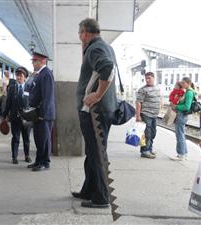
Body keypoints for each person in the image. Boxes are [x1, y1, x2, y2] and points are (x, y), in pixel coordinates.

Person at [72, 18, 118, 209]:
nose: (79, 37)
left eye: (80, 33)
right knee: (93, 152)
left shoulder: (95, 48)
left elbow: (107, 68)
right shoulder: (106, 46)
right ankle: (89, 189)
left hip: (94, 112)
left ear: (86, 32)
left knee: (97, 153)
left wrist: (97, 94)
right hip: (98, 111)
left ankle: (101, 197)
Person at [27, 51, 55, 172]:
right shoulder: (40, 74)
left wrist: (42, 114)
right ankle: (38, 161)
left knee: (44, 139)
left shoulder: (46, 74)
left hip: (44, 114)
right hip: (38, 113)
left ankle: (45, 162)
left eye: (35, 61)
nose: (33, 63)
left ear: (43, 61)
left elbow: (47, 96)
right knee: (38, 138)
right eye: (33, 61)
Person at [2, 67, 32, 164]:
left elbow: (32, 103)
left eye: (21, 76)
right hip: (15, 117)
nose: (18, 77)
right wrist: (4, 115)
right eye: (17, 75)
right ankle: (14, 157)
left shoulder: (29, 87)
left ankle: (27, 155)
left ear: (25, 77)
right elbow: (8, 103)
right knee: (15, 138)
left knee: (26, 138)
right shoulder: (12, 88)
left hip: (26, 119)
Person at [136, 72, 161, 159]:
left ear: (154, 78)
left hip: (154, 115)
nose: (147, 80)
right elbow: (138, 103)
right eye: (146, 78)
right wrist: (138, 116)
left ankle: (150, 149)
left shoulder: (157, 88)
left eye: (149, 78)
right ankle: (145, 151)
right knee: (147, 133)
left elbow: (159, 98)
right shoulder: (142, 90)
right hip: (146, 114)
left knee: (153, 133)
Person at [171, 77, 196, 161]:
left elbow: (187, 107)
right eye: (181, 83)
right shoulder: (187, 91)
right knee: (181, 134)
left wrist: (176, 106)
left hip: (181, 115)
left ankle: (180, 154)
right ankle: (184, 154)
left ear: (188, 83)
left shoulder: (189, 93)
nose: (181, 84)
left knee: (179, 135)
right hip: (182, 115)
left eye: (183, 83)